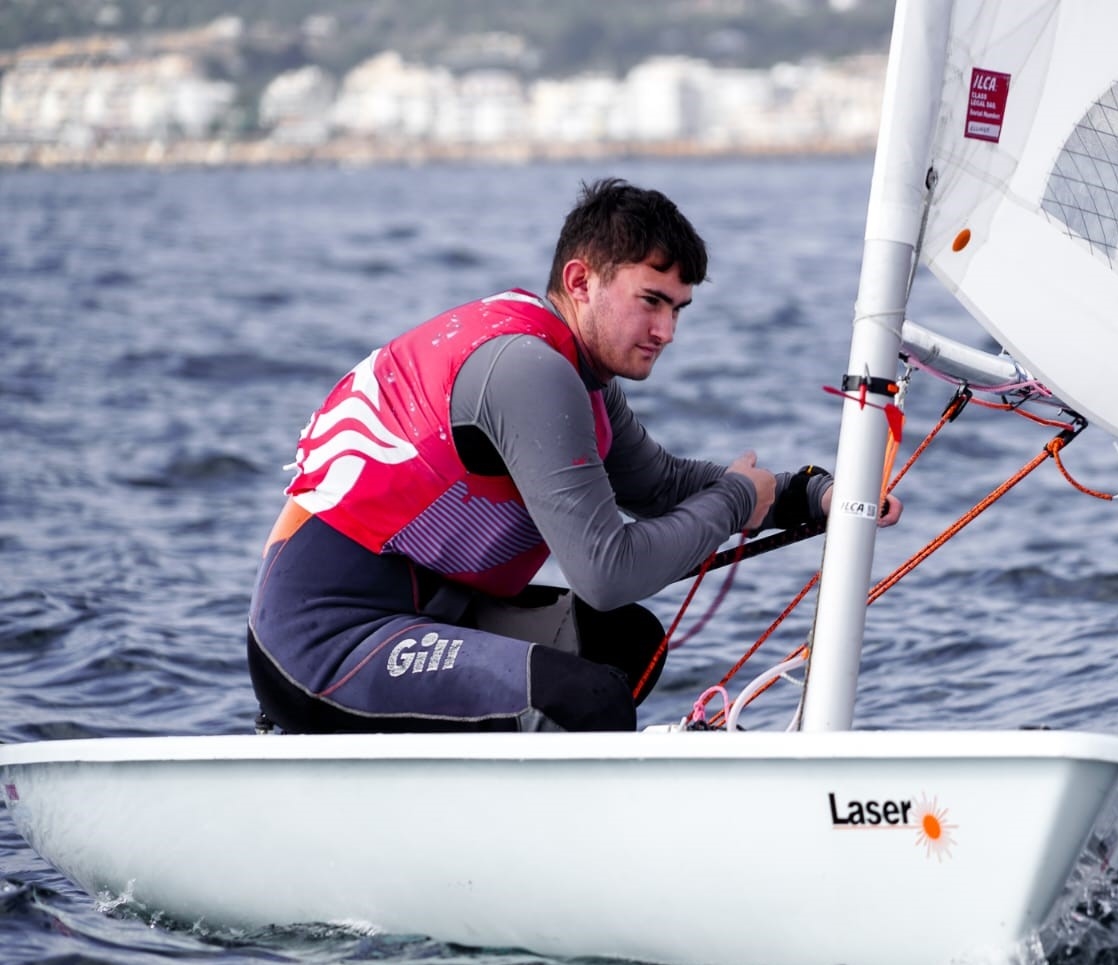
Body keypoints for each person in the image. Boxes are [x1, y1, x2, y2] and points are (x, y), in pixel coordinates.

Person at [248, 178, 902, 734]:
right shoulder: (530, 371)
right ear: (580, 280)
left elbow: (661, 484)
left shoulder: (573, 368)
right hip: (324, 646)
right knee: (585, 696)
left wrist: (809, 493)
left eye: (679, 310)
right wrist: (735, 501)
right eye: (651, 300)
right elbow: (606, 572)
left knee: (627, 642)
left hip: (424, 612)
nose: (666, 332)